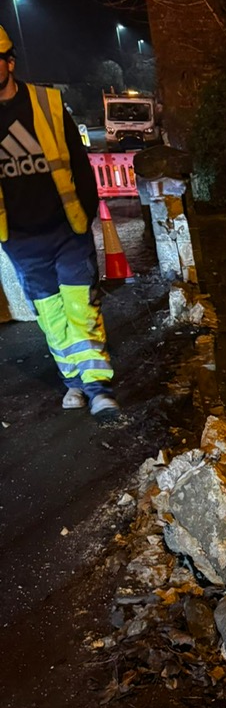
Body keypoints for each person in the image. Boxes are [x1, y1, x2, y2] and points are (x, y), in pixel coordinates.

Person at [0, 23, 119, 417]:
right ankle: (73, 383)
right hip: (21, 239)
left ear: (9, 63)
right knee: (52, 316)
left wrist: (83, 218)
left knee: (81, 306)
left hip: (66, 229)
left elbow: (80, 165)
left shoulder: (47, 104)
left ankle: (98, 387)